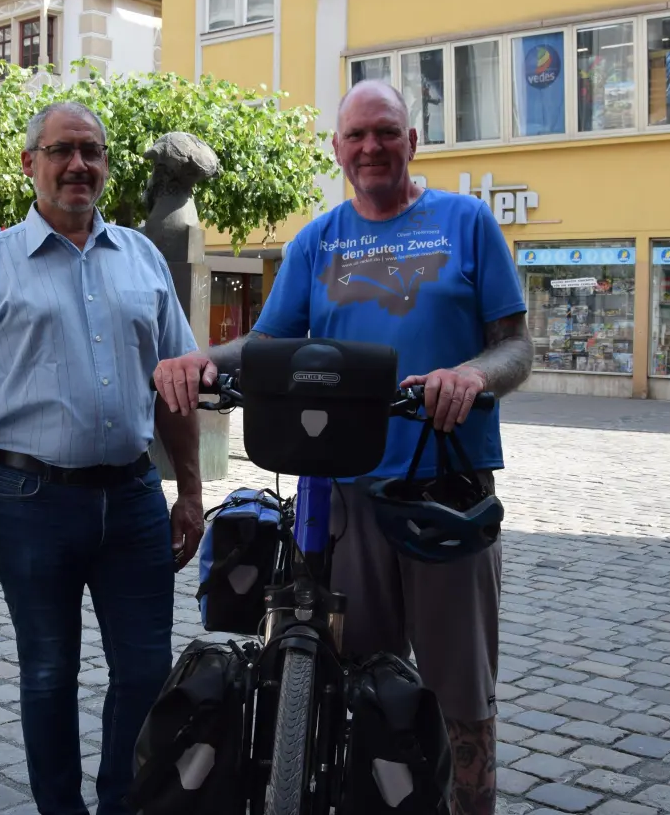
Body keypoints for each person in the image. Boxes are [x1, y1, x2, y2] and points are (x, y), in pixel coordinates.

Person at [155, 80, 532, 815]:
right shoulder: (317, 240)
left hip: (444, 490)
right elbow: (267, 347)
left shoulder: (467, 222)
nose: (371, 147)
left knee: (462, 694)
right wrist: (200, 361)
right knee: (353, 680)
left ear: (411, 141)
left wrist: (470, 377)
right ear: (338, 148)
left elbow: (514, 347)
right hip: (342, 494)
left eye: (386, 132)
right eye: (356, 135)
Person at [0, 101, 206, 815]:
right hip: (29, 504)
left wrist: (191, 492)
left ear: (106, 166)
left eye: (92, 151)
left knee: (144, 671)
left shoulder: (141, 258)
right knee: (48, 674)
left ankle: (119, 803)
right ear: (30, 164)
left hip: (135, 502)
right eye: (61, 151)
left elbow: (177, 388)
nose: (78, 164)